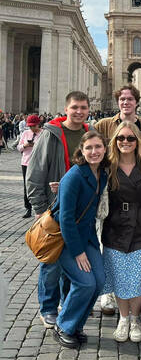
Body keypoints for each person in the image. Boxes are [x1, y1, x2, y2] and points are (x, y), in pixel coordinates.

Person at [26, 91, 91, 329]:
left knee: (70, 260)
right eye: (75, 107)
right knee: (51, 262)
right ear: (66, 109)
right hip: (53, 210)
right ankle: (48, 307)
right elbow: (35, 173)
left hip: (79, 211)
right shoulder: (51, 135)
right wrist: (39, 208)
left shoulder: (87, 134)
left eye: (83, 107)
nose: (79, 111)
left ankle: (66, 302)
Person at [52, 131, 109, 348]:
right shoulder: (74, 176)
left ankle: (76, 325)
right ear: (82, 151)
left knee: (100, 282)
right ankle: (63, 326)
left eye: (98, 147)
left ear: (104, 149)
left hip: (88, 238)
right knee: (86, 283)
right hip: (67, 242)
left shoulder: (101, 174)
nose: (94, 152)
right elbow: (65, 219)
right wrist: (78, 252)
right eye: (89, 148)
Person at [95, 84, 141, 315]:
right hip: (112, 199)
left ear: (136, 101)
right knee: (111, 252)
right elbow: (90, 153)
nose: (126, 103)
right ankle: (109, 295)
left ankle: (132, 310)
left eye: (130, 99)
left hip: (136, 202)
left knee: (136, 259)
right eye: (122, 99)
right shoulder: (102, 125)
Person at [102, 122, 141, 343]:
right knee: (120, 276)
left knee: (138, 277)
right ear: (115, 141)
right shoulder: (107, 166)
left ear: (138, 141)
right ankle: (124, 318)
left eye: (130, 138)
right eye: (121, 138)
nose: (125, 142)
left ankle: (136, 317)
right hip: (115, 227)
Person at [17, 115, 43, 218]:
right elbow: (19, 148)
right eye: (30, 126)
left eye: (34, 126)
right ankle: (28, 208)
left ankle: (40, 208)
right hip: (26, 163)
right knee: (26, 186)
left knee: (39, 186)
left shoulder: (43, 134)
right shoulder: (25, 133)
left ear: (38, 124)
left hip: (39, 163)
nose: (32, 128)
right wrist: (25, 146)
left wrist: (35, 145)